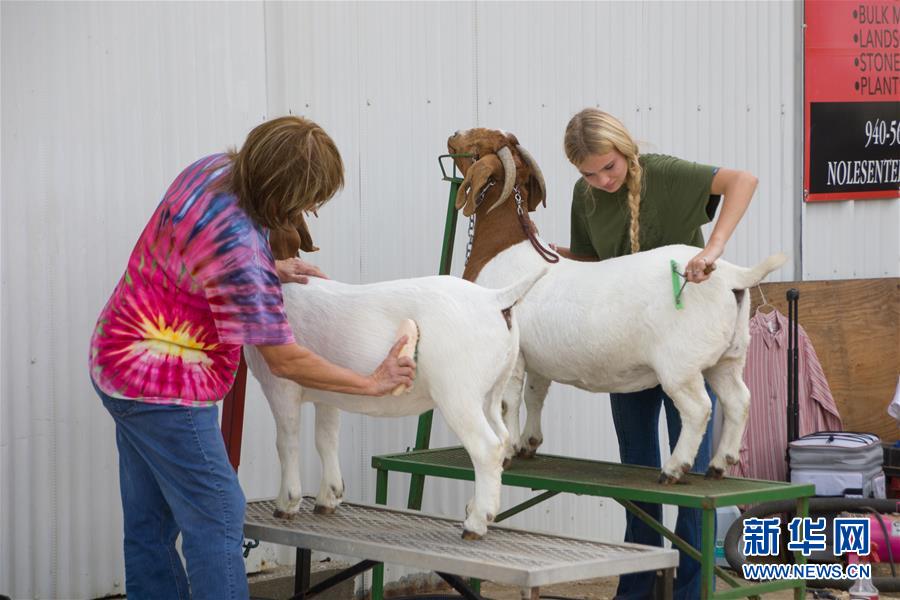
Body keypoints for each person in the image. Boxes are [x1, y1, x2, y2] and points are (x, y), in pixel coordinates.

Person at [88, 116, 415, 600]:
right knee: (219, 513)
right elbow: (284, 360)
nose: (308, 210)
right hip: (164, 387)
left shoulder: (212, 169)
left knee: (150, 525)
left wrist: (271, 266)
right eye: (308, 200)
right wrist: (371, 381)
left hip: (115, 357)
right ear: (284, 194)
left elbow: (197, 254)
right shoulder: (239, 249)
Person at [554, 108, 757, 600]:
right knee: (637, 475)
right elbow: (591, 261)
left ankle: (692, 589)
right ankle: (637, 586)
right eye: (589, 173)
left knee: (688, 475)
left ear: (626, 152)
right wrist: (547, 258)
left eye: (609, 168)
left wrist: (714, 248)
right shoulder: (585, 195)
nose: (601, 181)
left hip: (680, 337)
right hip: (624, 345)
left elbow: (743, 181)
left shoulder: (664, 171)